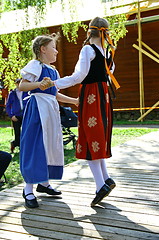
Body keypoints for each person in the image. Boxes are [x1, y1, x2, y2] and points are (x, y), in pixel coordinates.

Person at [45, 17, 120, 207]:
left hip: (91, 96)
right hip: (103, 97)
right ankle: (106, 179)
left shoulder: (88, 49)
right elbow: (110, 72)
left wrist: (55, 83)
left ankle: (100, 185)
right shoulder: (107, 51)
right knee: (98, 136)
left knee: (89, 138)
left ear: (90, 31)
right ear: (105, 32)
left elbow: (79, 76)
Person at [19, 34, 78, 208]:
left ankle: (43, 184)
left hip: (50, 110)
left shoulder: (53, 70)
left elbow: (55, 93)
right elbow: (22, 86)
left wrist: (74, 101)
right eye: (53, 47)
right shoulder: (35, 65)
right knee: (36, 145)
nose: (57, 50)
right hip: (37, 110)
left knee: (49, 145)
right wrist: (38, 84)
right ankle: (28, 189)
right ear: (43, 49)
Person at [6, 79, 29, 153]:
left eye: (20, 83)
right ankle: (15, 144)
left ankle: (24, 146)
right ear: (15, 84)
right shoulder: (12, 93)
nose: (19, 85)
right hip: (16, 115)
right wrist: (11, 115)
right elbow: (8, 106)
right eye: (17, 83)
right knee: (17, 133)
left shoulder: (27, 92)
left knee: (26, 131)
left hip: (26, 114)